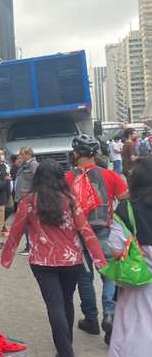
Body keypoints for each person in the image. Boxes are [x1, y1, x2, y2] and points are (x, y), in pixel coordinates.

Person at [2, 160, 107, 357]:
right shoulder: (70, 200)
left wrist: (7, 256)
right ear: (61, 178)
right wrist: (100, 261)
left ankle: (65, 350)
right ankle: (66, 345)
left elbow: (16, 231)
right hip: (71, 260)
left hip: (42, 262)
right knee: (67, 300)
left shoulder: (28, 202)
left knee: (54, 304)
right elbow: (86, 231)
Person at [65, 134, 129, 340]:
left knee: (84, 277)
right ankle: (109, 314)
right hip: (104, 231)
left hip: (79, 233)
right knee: (109, 273)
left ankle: (91, 319)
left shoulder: (68, 177)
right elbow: (125, 198)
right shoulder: (109, 176)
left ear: (76, 153)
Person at [108, 156, 152, 357]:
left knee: (137, 328)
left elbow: (115, 248)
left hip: (139, 279)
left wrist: (133, 247)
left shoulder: (126, 208)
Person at [14, 147, 39, 255]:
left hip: (27, 197)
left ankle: (31, 247)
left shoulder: (33, 165)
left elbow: (37, 180)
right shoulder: (24, 165)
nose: (19, 156)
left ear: (28, 155)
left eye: (21, 154)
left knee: (28, 224)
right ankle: (29, 245)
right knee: (25, 224)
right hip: (22, 197)